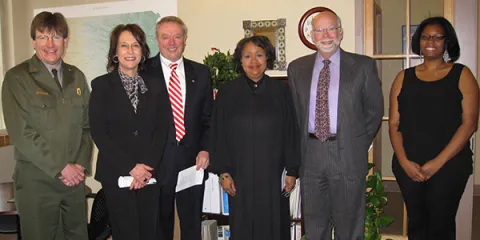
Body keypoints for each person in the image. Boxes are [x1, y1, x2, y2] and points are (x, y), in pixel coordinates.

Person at [287, 8, 384, 240]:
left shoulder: (363, 66)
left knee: (350, 225)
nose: (326, 35)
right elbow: (295, 114)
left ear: (340, 32)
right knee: (314, 224)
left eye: (331, 28)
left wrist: (357, 143)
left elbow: (374, 110)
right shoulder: (297, 68)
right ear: (312, 36)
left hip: (348, 154)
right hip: (311, 155)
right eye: (320, 30)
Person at [1, 11, 92, 239]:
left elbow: (88, 127)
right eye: (43, 37)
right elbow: (22, 133)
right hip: (37, 182)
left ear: (66, 41)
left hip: (74, 182)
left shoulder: (77, 77)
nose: (50, 44)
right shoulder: (17, 78)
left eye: (57, 37)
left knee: (76, 236)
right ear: (33, 41)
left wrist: (79, 166)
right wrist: (63, 167)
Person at [389, 16, 478, 240]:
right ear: (419, 41)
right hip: (409, 164)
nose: (432, 41)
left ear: (447, 42)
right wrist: (403, 162)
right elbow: (394, 123)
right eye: (426, 36)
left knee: (441, 224)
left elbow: (470, 124)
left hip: (449, 165)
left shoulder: (462, 74)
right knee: (416, 225)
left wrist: (436, 164)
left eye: (438, 37)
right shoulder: (403, 77)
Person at [210, 35, 300, 240]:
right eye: (247, 56)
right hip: (238, 175)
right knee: (242, 226)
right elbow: (218, 133)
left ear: (267, 58)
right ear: (240, 61)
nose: (254, 62)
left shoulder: (282, 90)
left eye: (259, 55)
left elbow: (291, 131)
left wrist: (292, 170)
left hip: (272, 174)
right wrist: (223, 173)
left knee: (274, 225)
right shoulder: (227, 92)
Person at [88, 24, 170, 240]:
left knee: (149, 233)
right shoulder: (101, 86)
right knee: (126, 233)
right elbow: (99, 133)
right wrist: (130, 168)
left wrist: (145, 169)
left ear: (143, 51)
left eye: (135, 45)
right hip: (117, 175)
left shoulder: (156, 86)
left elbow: (162, 131)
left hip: (149, 175)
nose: (130, 51)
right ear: (115, 52)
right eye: (124, 46)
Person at [145, 16, 213, 240]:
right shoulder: (144, 72)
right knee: (159, 224)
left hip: (192, 161)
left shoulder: (201, 73)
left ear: (185, 39)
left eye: (177, 36)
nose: (171, 42)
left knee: (192, 223)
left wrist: (205, 149)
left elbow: (208, 118)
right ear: (157, 40)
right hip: (157, 160)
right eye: (165, 37)